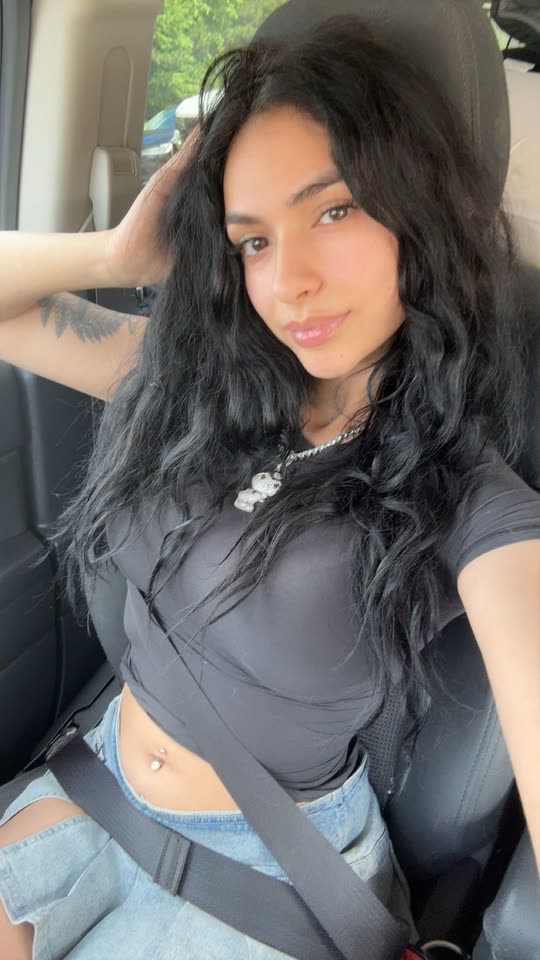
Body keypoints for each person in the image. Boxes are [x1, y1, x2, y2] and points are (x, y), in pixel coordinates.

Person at [0, 14, 539, 960]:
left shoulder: (472, 499)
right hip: (90, 788)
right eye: (252, 241)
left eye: (334, 210)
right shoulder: (188, 386)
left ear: (421, 211)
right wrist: (115, 256)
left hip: (272, 877)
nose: (289, 281)